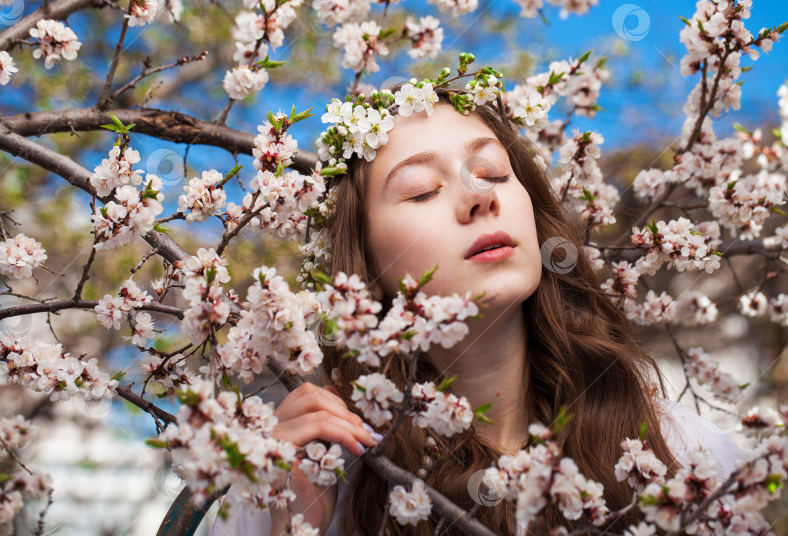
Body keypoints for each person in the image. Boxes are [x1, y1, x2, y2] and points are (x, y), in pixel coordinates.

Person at [210, 81, 743, 536]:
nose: (478, 197)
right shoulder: (319, 483)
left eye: (491, 173)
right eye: (421, 192)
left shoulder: (679, 454)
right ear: (364, 264)